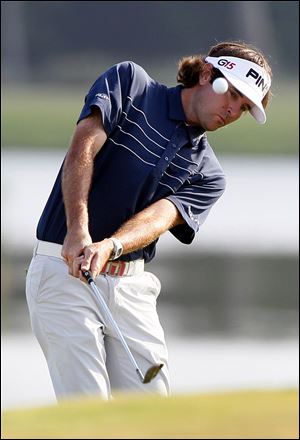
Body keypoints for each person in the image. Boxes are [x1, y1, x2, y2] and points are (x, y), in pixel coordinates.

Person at [25, 41, 272, 401]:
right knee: (87, 406)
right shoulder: (131, 85)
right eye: (231, 93)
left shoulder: (208, 173)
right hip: (63, 270)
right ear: (205, 74)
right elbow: (82, 148)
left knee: (151, 408)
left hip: (130, 287)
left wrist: (111, 245)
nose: (232, 110)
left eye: (244, 106)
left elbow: (160, 217)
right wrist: (78, 228)